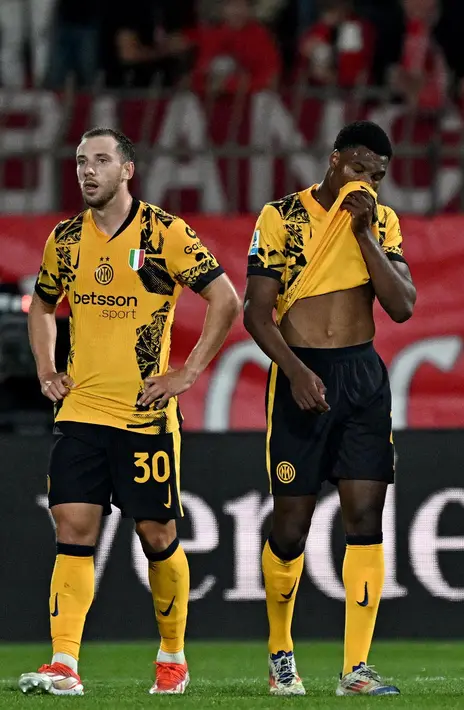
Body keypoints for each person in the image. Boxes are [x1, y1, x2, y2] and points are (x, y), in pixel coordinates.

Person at [18, 127, 241, 696]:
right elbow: (43, 304)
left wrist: (187, 372)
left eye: (99, 161)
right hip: (82, 409)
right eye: (79, 162)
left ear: (127, 170)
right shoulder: (65, 240)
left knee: (157, 534)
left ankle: (172, 656)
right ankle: (63, 663)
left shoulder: (165, 234)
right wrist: (47, 367)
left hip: (143, 414)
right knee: (72, 526)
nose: (87, 171)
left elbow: (225, 298)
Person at [244, 120, 416, 696]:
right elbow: (256, 313)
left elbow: (402, 307)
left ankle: (356, 669)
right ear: (335, 157)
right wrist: (295, 371)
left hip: (362, 376)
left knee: (365, 520)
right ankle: (280, 655)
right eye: (359, 167)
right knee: (291, 527)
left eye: (379, 175)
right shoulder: (282, 218)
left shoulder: (381, 221)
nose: (368, 181)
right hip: (301, 375)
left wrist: (363, 230)